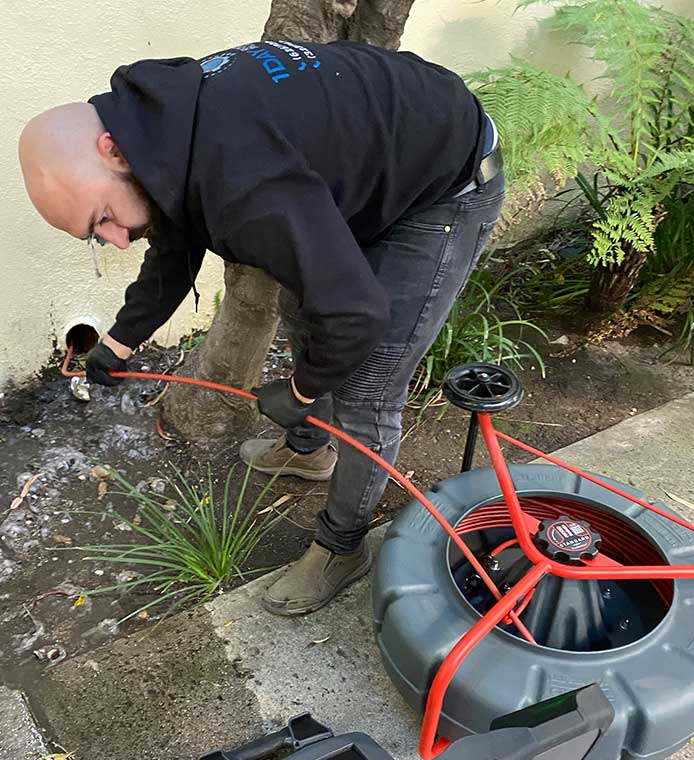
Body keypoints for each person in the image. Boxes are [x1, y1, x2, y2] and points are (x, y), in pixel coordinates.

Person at [19, 39, 505, 617]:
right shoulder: (158, 129)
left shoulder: (245, 181)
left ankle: (342, 546)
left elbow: (356, 315)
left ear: (112, 151)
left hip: (443, 187)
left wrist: (300, 390)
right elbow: (174, 240)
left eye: (104, 218)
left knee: (369, 387)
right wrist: (119, 342)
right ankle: (309, 451)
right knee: (303, 308)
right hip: (372, 162)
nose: (118, 240)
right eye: (97, 236)